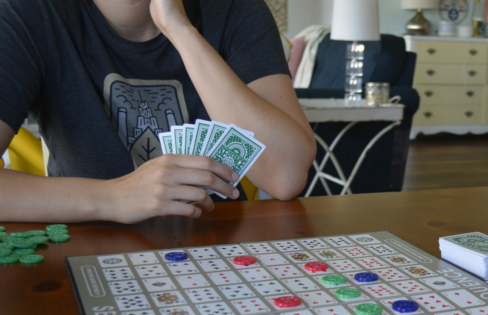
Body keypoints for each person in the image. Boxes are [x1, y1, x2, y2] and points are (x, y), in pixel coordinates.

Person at [0, 0, 317, 224]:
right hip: (86, 245)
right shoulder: (26, 12)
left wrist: (178, 28)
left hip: (219, 252)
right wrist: (115, 196)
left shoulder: (236, 8)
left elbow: (285, 175)